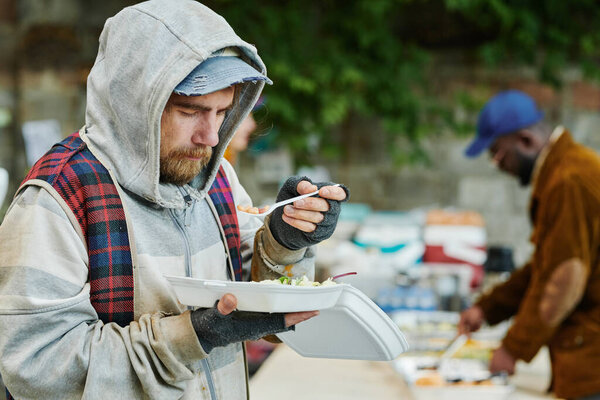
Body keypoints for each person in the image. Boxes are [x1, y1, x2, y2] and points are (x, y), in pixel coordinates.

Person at [0, 1, 348, 399]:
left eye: (221, 112)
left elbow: (263, 318)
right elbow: (35, 368)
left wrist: (283, 241)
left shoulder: (216, 179)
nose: (212, 137)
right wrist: (189, 336)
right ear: (132, 103)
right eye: (191, 111)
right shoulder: (57, 198)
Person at [459, 89, 600, 400]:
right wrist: (488, 307)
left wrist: (513, 348)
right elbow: (545, 265)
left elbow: (563, 279)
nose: (497, 164)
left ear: (526, 141)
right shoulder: (563, 171)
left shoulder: (569, 180)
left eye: (497, 153)